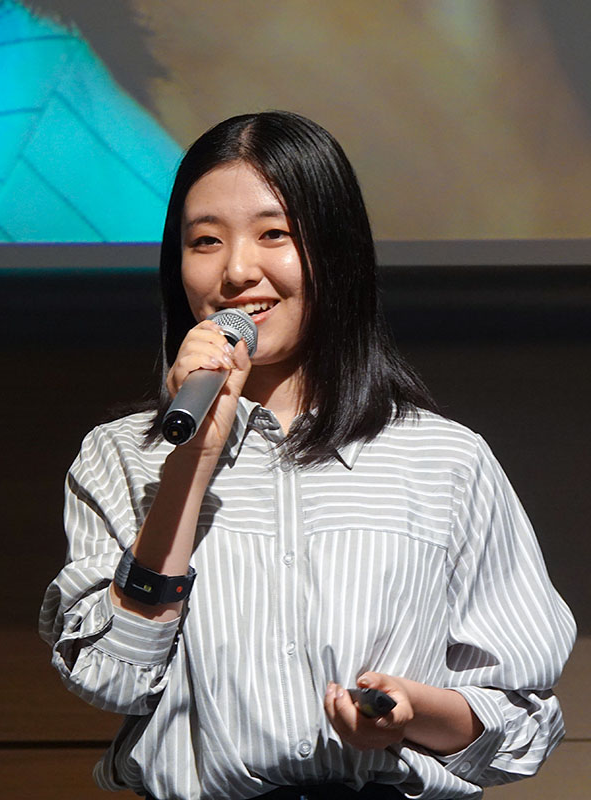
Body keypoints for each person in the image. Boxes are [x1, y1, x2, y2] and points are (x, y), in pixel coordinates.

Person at [40, 111, 576, 800]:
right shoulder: (120, 455)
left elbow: (523, 720)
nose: (237, 271)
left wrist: (411, 713)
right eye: (205, 241)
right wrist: (190, 466)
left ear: (336, 252)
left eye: (274, 234)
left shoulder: (445, 460)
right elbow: (110, 678)